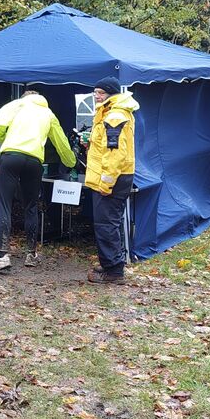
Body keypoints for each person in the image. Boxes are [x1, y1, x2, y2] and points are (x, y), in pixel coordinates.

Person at [0, 89, 76, 272]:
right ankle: (31, 254)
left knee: (4, 205)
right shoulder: (48, 113)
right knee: (31, 207)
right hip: (34, 161)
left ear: (24, 97)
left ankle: (2, 255)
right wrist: (71, 162)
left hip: (10, 156)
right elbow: (61, 142)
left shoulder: (16, 105)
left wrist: (4, 139)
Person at [85, 77, 139, 284]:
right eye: (95, 92)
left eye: (101, 93)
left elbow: (115, 153)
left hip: (112, 178)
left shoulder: (115, 115)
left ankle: (114, 272)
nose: (97, 96)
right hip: (115, 175)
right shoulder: (109, 112)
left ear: (112, 94)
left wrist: (106, 183)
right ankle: (111, 263)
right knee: (110, 223)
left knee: (106, 224)